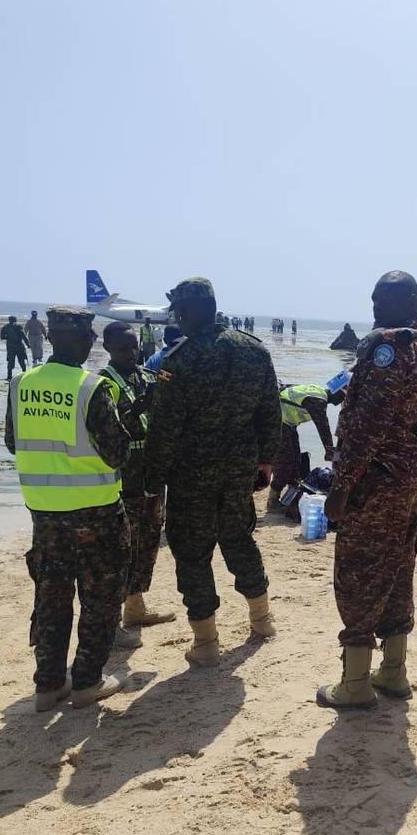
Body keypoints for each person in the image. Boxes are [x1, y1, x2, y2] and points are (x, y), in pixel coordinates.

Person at [318, 271, 417, 709]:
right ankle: (393, 672)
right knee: (397, 563)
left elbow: (366, 425)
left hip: (378, 472)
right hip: (408, 467)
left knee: (359, 568)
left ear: (409, 299)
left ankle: (354, 683)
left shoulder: (387, 346)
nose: (374, 307)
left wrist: (341, 486)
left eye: (383, 299)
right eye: (372, 299)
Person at [143, 277, 281, 666]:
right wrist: (266, 461)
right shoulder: (253, 351)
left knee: (191, 553)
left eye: (177, 312)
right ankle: (262, 621)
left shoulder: (178, 361)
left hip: (191, 476)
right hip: (239, 470)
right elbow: (270, 411)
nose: (177, 319)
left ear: (185, 312)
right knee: (239, 539)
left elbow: (164, 431)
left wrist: (152, 482)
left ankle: (206, 644)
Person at [5, 307, 133, 710]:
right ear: (70, 338)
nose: (92, 343)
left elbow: (12, 442)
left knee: (51, 597)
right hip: (95, 511)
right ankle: (86, 683)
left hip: (43, 514)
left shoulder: (19, 384)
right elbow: (116, 453)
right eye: (87, 337)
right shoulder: (90, 388)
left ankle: (48, 685)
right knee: (100, 597)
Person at [102, 322, 176, 628]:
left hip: (152, 468)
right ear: (107, 348)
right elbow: (108, 429)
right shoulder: (103, 383)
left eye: (135, 347)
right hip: (125, 473)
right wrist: (139, 407)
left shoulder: (147, 376)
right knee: (125, 542)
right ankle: (120, 612)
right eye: (123, 348)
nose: (131, 353)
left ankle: (136, 605)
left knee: (149, 536)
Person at [266, 381, 340, 509]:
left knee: (297, 462)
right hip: (277, 423)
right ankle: (273, 501)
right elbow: (323, 427)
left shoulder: (316, 389)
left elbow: (288, 388)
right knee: (286, 462)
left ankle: (289, 499)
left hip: (287, 424)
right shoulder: (317, 401)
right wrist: (330, 451)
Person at [0, 315, 29, 380]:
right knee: (21, 360)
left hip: (10, 346)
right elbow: (23, 335)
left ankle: (9, 376)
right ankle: (24, 374)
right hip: (19, 346)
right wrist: (28, 344)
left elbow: (2, 337)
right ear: (15, 320)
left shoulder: (5, 327)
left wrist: (8, 337)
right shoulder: (19, 327)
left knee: (10, 361)